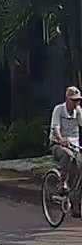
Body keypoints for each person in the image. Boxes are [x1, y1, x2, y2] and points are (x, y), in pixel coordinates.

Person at [50, 85, 82, 217]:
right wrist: (61, 139)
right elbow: (56, 128)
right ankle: (62, 182)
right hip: (58, 145)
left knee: (79, 167)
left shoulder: (78, 111)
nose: (76, 103)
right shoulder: (59, 110)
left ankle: (75, 202)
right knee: (67, 155)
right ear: (67, 99)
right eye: (74, 100)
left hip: (74, 146)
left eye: (78, 100)